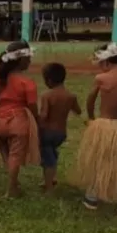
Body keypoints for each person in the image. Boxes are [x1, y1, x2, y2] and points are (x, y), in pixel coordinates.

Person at [74, 43, 117, 215]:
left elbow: (90, 100)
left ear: (106, 61)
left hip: (105, 124)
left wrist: (91, 117)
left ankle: (92, 197)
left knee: (99, 160)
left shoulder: (102, 78)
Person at [0, 41, 40, 197]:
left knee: (5, 151)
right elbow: (32, 105)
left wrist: (0, 100)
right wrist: (37, 118)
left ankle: (13, 182)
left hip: (0, 120)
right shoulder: (27, 83)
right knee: (15, 155)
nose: (30, 61)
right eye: (28, 58)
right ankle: (11, 189)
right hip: (19, 120)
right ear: (21, 61)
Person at [38, 63, 80, 194]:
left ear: (49, 80)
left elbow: (44, 115)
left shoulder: (47, 95)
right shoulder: (70, 96)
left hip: (47, 133)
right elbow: (78, 111)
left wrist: (35, 121)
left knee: (47, 158)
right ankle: (50, 179)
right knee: (52, 154)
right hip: (61, 133)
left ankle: (49, 186)